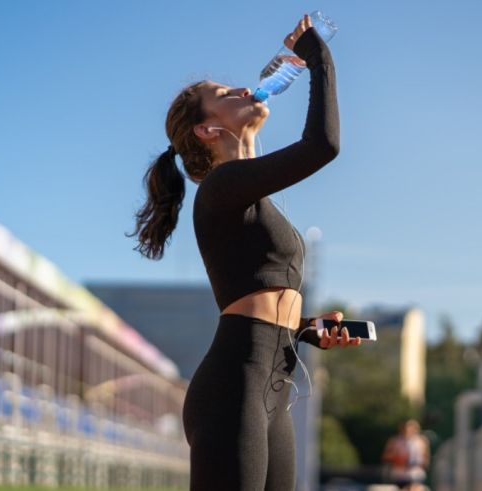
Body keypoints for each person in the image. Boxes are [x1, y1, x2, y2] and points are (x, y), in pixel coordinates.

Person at [127, 14, 361, 490]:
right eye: (224, 95)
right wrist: (318, 58)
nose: (241, 90)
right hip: (234, 388)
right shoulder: (220, 186)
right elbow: (324, 145)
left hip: (272, 386)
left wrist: (308, 331)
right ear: (207, 132)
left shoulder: (250, 197)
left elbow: (257, 297)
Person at [382, 419, 431, 490]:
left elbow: (425, 457)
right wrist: (396, 457)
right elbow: (386, 456)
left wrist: (422, 464)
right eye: (406, 428)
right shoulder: (395, 441)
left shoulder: (421, 441)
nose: (408, 430)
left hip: (415, 473)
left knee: (414, 488)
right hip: (399, 474)